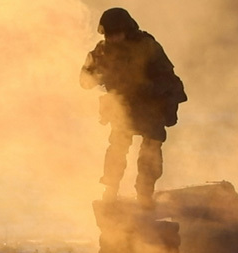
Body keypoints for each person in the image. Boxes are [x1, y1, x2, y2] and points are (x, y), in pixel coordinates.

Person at [80, 8, 187, 209]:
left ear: (127, 30)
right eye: (108, 35)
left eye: (116, 34)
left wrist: (149, 89)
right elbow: (84, 80)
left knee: (151, 150)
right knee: (117, 149)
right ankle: (110, 190)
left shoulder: (147, 47)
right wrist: (96, 74)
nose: (112, 39)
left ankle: (145, 194)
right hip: (123, 107)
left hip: (150, 106)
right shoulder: (102, 50)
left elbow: (169, 80)